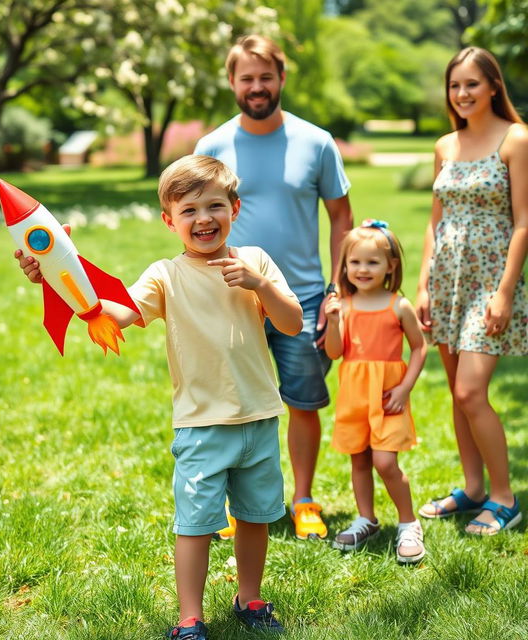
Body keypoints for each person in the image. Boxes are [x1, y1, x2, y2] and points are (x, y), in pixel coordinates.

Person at [17, 155, 302, 638]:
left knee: (255, 517)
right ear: (170, 221)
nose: (204, 219)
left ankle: (250, 598)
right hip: (201, 424)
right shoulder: (166, 274)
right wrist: (56, 272)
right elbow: (118, 313)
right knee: (194, 523)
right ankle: (190, 617)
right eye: (189, 211)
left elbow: (292, 322)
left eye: (215, 206)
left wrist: (260, 285)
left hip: (258, 418)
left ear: (235, 207)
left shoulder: (254, 262)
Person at [194, 34, 353, 541]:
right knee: (232, 401)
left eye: (266, 77)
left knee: (303, 401)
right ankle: (238, 505)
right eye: (247, 78)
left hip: (302, 297)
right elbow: (193, 218)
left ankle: (304, 499)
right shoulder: (212, 147)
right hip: (230, 295)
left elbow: (342, 218)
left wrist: (336, 289)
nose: (257, 87)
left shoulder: (317, 142)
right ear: (232, 83)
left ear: (282, 78)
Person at [416, 47, 527, 535]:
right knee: (459, 396)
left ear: (493, 86)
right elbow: (433, 222)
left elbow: (524, 221)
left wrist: (505, 293)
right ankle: (474, 489)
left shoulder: (516, 138)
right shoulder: (445, 145)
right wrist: (422, 284)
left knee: (470, 390)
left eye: (472, 84)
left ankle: (505, 498)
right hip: (446, 280)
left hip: (490, 279)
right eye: (455, 86)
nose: (462, 94)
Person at [324, 220, 427, 564]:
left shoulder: (399, 305)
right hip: (354, 395)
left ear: (390, 265)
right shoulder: (345, 305)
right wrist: (335, 321)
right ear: (344, 265)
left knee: (385, 461)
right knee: (360, 458)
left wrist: (404, 388)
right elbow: (335, 352)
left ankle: (409, 522)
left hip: (388, 395)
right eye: (355, 262)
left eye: (372, 262)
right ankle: (366, 518)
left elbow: (419, 348)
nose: (362, 269)